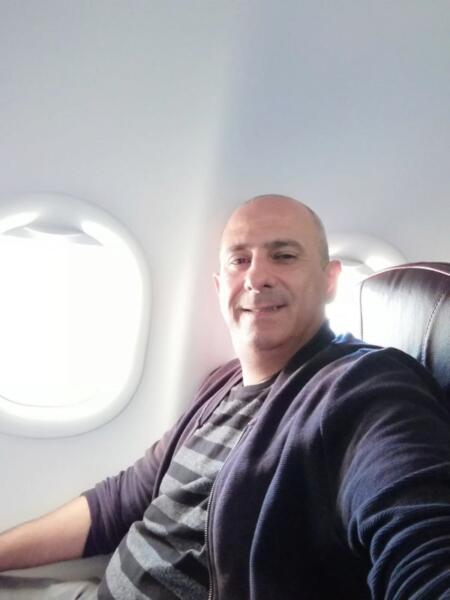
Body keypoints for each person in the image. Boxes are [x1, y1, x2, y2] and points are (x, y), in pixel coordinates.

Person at [1, 194, 450, 599]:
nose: (257, 277)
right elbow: (120, 501)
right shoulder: (221, 384)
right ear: (220, 288)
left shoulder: (365, 387)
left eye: (284, 255)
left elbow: (421, 545)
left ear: (330, 279)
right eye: (239, 260)